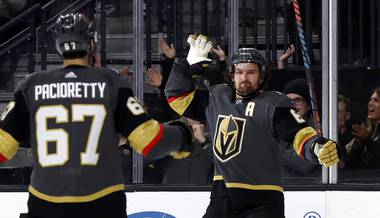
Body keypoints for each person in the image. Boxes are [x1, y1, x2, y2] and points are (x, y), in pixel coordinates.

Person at [0, 13, 193, 218]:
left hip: (45, 204)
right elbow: (151, 141)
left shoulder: (31, 86)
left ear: (58, 46)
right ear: (91, 44)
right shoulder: (109, 82)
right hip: (101, 202)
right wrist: (182, 135)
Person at [165, 34, 339, 218]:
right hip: (222, 196)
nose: (244, 77)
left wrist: (315, 147)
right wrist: (186, 67)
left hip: (263, 199)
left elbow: (297, 133)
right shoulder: (217, 96)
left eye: (251, 72)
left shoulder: (274, 103)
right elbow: (177, 98)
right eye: (239, 72)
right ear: (232, 75)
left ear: (262, 75)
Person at [281, 78, 320, 176]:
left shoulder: (318, 130)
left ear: (309, 106)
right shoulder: (275, 125)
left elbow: (305, 165)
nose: (292, 106)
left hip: (306, 188)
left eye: (298, 101)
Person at [345, 86, 380, 169]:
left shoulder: (367, 135)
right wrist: (358, 143)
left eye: (375, 100)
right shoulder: (369, 131)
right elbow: (350, 165)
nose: (370, 103)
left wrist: (366, 139)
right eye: (370, 100)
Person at [337, 94, 354, 169]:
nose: (334, 115)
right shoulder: (323, 135)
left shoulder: (354, 138)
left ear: (347, 115)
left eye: (338, 111)